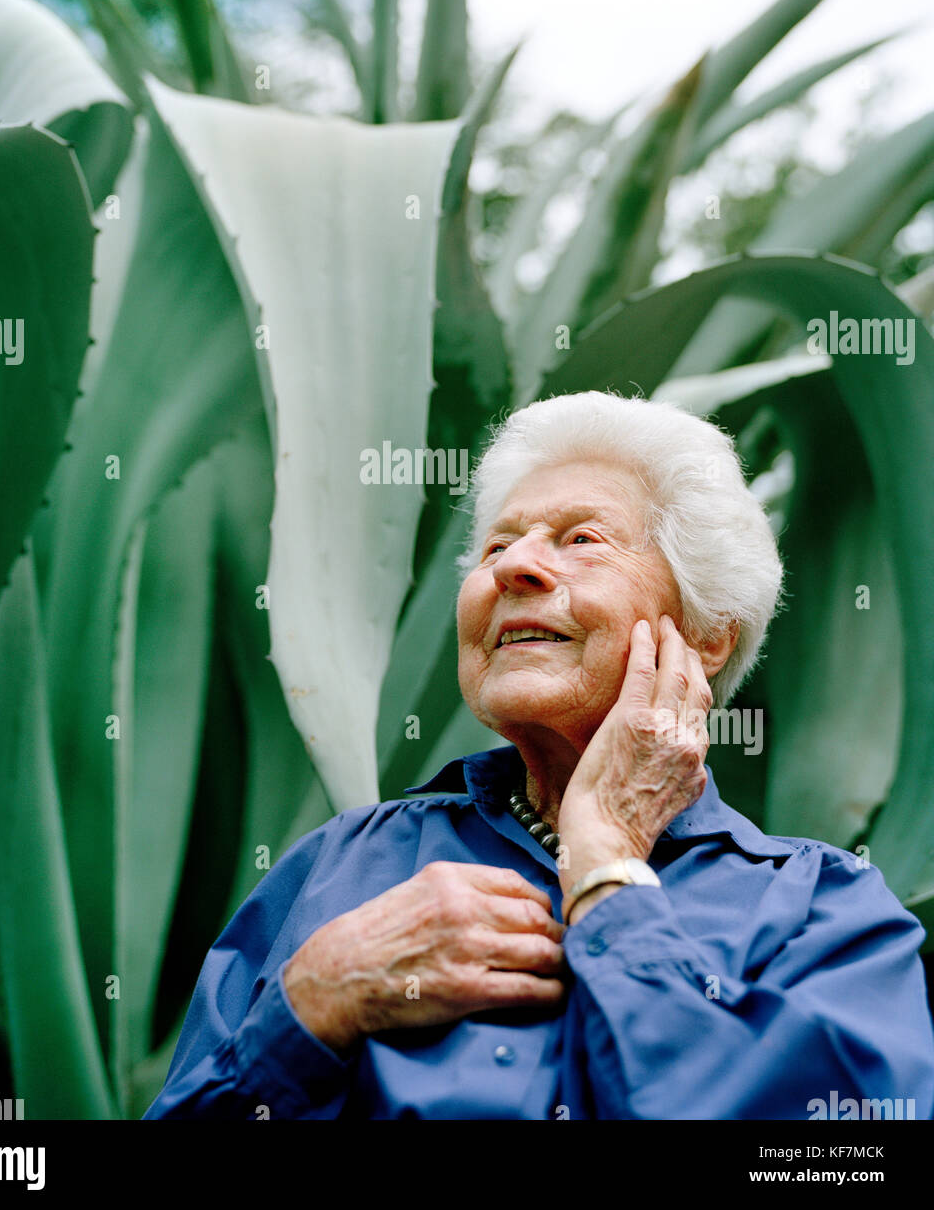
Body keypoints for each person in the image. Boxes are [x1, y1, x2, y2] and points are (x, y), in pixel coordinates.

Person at [144, 390, 934, 1120]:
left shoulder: (824, 912)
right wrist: (309, 1008)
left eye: (581, 539)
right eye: (496, 546)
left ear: (706, 633)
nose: (510, 569)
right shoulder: (340, 868)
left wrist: (609, 865)